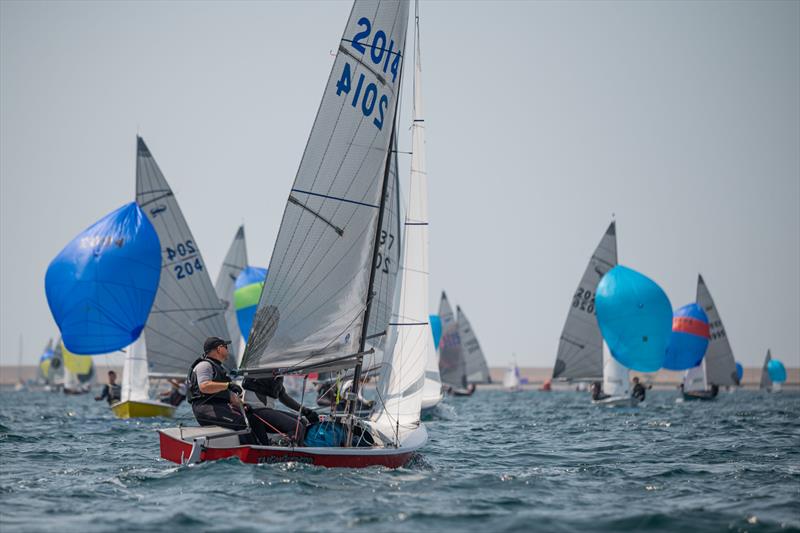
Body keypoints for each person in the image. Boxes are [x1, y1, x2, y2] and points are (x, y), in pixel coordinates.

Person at [187, 337, 318, 446]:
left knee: (302, 423)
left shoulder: (275, 372)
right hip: (206, 408)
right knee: (247, 423)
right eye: (225, 347)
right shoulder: (205, 365)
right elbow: (204, 386)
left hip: (222, 407)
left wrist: (304, 410)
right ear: (219, 348)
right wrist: (228, 385)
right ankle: (264, 449)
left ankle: (271, 446)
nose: (228, 350)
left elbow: (281, 394)